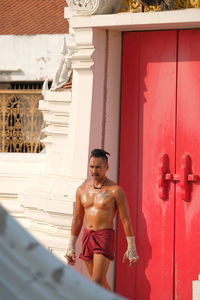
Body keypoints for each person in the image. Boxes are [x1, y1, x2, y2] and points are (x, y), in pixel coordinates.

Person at [64, 149, 139, 290]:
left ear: (106, 167)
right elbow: (78, 218)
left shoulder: (115, 191)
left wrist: (132, 247)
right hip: (87, 236)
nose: (94, 170)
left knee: (96, 282)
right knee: (100, 284)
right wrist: (71, 245)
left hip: (104, 237)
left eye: (98, 167)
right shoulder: (81, 190)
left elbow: (125, 219)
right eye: (91, 166)